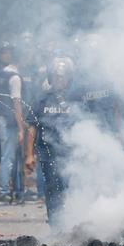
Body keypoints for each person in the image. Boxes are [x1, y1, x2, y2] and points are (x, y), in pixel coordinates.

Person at [24, 57, 77, 230]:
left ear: (69, 78)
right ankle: (56, 228)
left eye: (63, 76)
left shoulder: (77, 99)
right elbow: (32, 127)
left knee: (73, 190)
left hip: (72, 154)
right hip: (48, 154)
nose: (59, 80)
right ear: (50, 77)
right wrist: (29, 155)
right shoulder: (41, 99)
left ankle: (75, 224)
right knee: (53, 190)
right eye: (56, 76)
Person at [0, 42, 26, 204]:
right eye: (5, 52)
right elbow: (16, 102)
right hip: (10, 120)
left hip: (0, 118)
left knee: (9, 156)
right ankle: (3, 192)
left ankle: (15, 190)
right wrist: (21, 127)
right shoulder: (14, 77)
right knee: (8, 157)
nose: (7, 54)